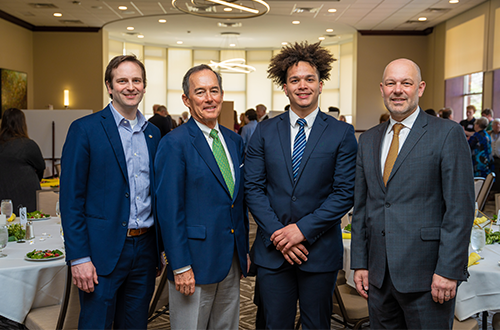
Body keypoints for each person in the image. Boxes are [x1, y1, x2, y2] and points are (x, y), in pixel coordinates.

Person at [351, 58, 474, 329]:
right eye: (391, 83)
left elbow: (460, 210)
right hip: (379, 278)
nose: (398, 90)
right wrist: (360, 263)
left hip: (429, 276)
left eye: (406, 83)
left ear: (420, 88)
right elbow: (362, 207)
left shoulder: (447, 134)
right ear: (381, 89)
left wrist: (448, 270)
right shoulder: (368, 139)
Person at [245, 41, 358, 329]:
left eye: (310, 79)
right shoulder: (264, 131)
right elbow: (254, 189)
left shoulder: (342, 133)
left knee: (316, 325)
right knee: (274, 324)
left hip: (318, 251)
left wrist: (302, 231)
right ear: (284, 87)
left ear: (321, 85)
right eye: (294, 80)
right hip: (273, 250)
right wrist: (281, 236)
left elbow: (345, 193)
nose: (302, 85)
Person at [60, 55, 162, 329]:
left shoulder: (153, 134)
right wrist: (79, 257)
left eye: (136, 80)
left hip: (144, 251)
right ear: (109, 86)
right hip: (100, 253)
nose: (130, 87)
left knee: (136, 324)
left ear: (144, 86)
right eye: (122, 81)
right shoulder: (85, 130)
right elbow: (71, 200)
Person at [155, 64, 248, 329]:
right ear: (186, 99)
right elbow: (169, 211)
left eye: (214, 90)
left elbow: (236, 201)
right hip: (193, 262)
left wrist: (243, 251)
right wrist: (180, 264)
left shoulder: (234, 141)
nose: (209, 98)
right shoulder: (174, 143)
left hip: (230, 259)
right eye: (200, 92)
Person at [0, 108, 45, 212]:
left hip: (3, 198)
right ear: (22, 124)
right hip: (27, 197)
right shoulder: (27, 145)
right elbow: (41, 167)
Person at [490, 118, 500, 192]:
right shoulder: (489, 133)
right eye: (496, 124)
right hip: (491, 158)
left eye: (499, 124)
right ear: (492, 126)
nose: (498, 126)